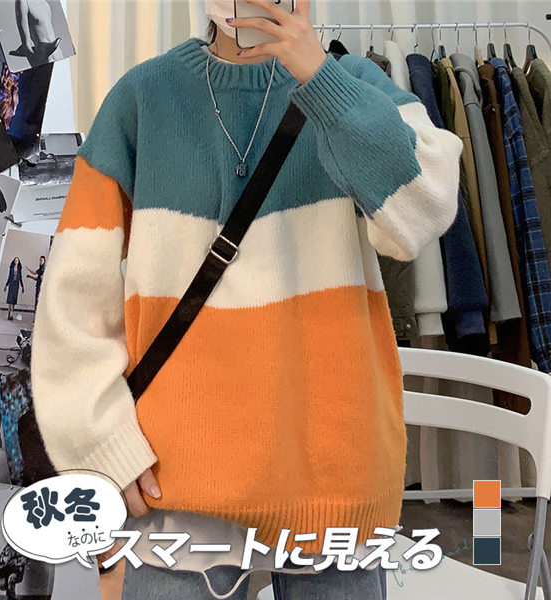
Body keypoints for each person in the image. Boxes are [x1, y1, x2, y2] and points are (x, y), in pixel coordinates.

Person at [30, 0, 464, 598]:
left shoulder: (354, 85)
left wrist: (322, 81)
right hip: (175, 483)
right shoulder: (141, 100)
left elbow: (426, 207)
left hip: (331, 473)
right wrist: (100, 443)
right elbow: (74, 299)